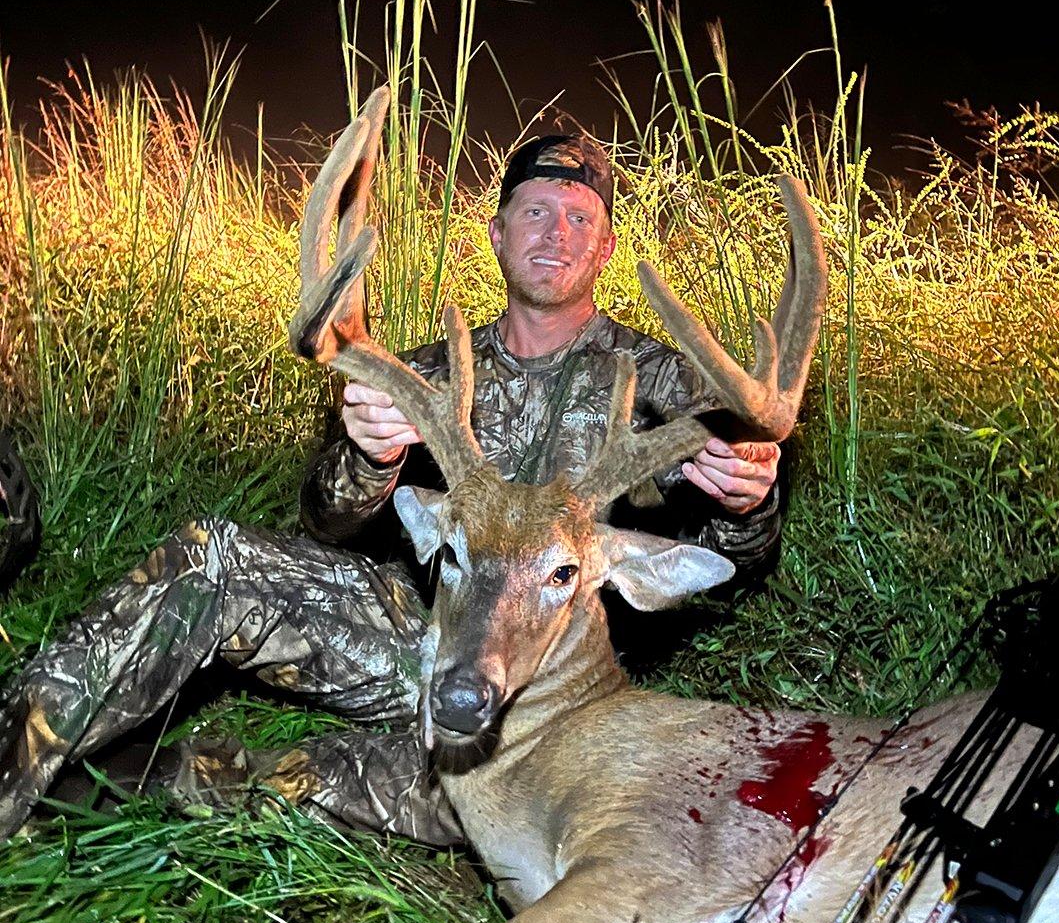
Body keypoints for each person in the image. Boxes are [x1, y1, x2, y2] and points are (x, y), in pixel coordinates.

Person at [0, 133, 782, 842]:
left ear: (607, 246)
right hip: (419, 631)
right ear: (497, 233)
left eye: (579, 218)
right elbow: (326, 519)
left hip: (550, 690)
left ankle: (147, 783)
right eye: (535, 211)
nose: (555, 233)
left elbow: (732, 560)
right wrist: (369, 460)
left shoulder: (673, 385)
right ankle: (18, 757)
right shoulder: (425, 374)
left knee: (380, 784)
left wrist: (746, 499)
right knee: (213, 557)